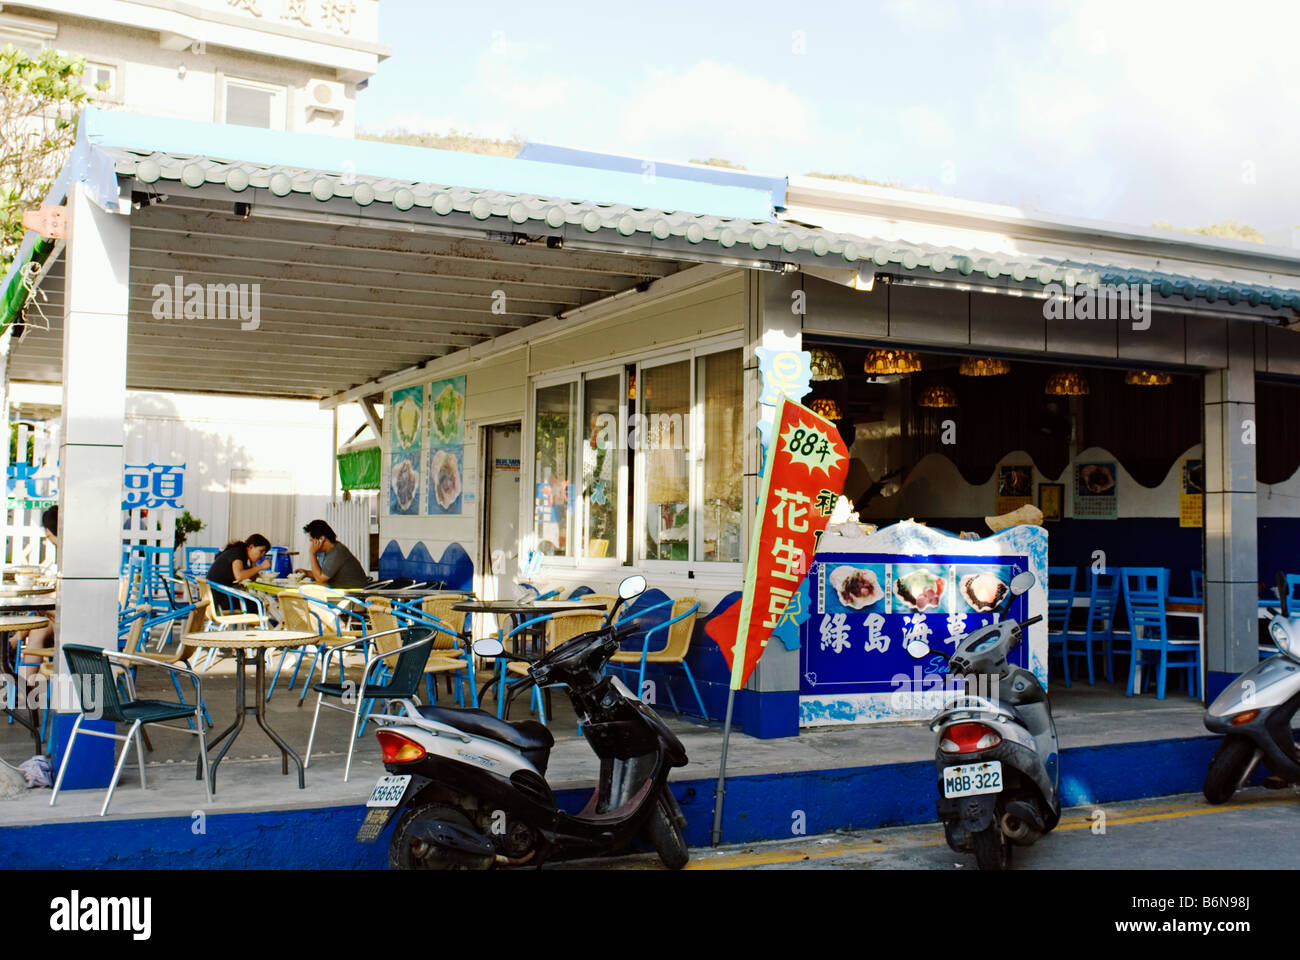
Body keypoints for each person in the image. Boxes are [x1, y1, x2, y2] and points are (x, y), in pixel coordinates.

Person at [207, 534, 272, 611]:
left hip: (217, 596)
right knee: (258, 604)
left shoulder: (240, 552)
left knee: (257, 602)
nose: (262, 555)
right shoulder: (238, 552)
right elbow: (239, 576)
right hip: (221, 600)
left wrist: (254, 564)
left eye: (264, 553)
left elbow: (251, 577)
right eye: (261, 551)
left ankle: (257, 622)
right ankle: (261, 622)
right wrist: (260, 567)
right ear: (251, 547)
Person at [296, 519, 369, 589]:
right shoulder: (332, 550)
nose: (311, 545)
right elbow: (323, 574)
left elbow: (320, 579)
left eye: (312, 541)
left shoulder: (337, 552)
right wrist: (306, 573)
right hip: (344, 592)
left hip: (353, 596)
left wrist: (312, 553)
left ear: (321, 539)